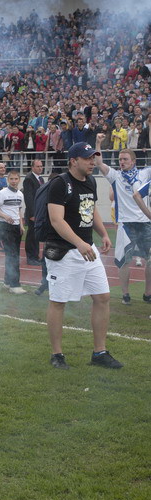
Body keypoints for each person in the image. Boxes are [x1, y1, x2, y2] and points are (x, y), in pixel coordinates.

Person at [45, 142, 122, 370]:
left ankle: (100, 352)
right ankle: (57, 354)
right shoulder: (59, 184)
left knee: (102, 297)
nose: (92, 161)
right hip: (64, 252)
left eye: (94, 157)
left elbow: (91, 209)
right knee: (58, 302)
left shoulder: (90, 181)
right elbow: (56, 219)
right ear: (73, 160)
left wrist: (103, 234)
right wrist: (78, 243)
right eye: (88, 158)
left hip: (88, 249)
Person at [94, 135, 151, 305]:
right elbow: (99, 163)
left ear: (133, 161)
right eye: (120, 159)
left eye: (125, 159)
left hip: (145, 223)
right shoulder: (115, 176)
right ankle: (125, 294)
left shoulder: (144, 173)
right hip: (126, 224)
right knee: (124, 261)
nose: (122, 162)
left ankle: (148, 293)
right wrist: (98, 143)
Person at [0, 169, 26, 294]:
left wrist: (21, 225)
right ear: (7, 180)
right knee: (13, 256)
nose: (13, 181)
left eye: (16, 179)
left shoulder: (20, 195)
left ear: (19, 180)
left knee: (13, 254)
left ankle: (7, 282)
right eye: (11, 179)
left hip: (16, 227)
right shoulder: (2, 193)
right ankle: (14, 285)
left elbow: (18, 211)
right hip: (5, 227)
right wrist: (5, 216)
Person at [23, 159, 44, 265]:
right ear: (32, 167)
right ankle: (31, 257)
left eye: (41, 166)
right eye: (38, 166)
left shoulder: (41, 179)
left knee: (37, 236)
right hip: (33, 213)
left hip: (40, 212)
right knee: (32, 236)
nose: (40, 168)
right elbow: (28, 198)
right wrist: (32, 214)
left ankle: (36, 256)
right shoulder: (29, 179)